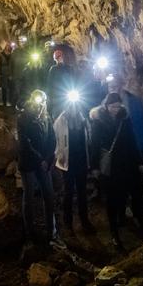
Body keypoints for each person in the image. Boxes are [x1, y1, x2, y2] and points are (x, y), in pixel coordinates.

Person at [91, 92, 143, 251]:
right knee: (113, 198)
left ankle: (140, 221)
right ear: (106, 106)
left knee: (136, 194)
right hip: (111, 166)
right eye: (112, 106)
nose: (115, 109)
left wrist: (140, 163)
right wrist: (95, 167)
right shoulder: (98, 122)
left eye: (117, 106)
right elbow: (94, 145)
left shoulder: (125, 119)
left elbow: (132, 141)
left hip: (128, 163)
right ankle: (114, 230)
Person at [17, 89, 57, 243]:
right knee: (29, 198)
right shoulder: (23, 118)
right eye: (37, 102)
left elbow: (52, 138)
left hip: (44, 163)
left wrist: (48, 157)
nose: (40, 105)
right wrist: (40, 159)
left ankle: (51, 232)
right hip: (28, 164)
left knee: (49, 195)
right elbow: (25, 143)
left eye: (42, 102)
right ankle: (30, 232)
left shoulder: (47, 117)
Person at [54, 94, 93, 232]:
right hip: (68, 163)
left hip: (81, 161)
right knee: (68, 193)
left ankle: (85, 220)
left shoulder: (83, 120)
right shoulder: (60, 121)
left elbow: (88, 139)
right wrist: (59, 156)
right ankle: (68, 223)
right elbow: (56, 142)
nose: (74, 107)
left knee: (82, 193)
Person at [103, 71, 143, 156]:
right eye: (110, 86)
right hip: (114, 147)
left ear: (121, 85)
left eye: (115, 86)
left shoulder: (134, 102)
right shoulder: (104, 104)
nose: (112, 89)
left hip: (134, 144)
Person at [47, 47, 76, 118]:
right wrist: (50, 97)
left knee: (70, 115)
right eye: (57, 57)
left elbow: (74, 81)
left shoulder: (69, 68)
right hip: (56, 97)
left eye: (60, 57)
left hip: (67, 96)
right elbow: (50, 83)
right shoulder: (53, 69)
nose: (59, 59)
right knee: (57, 116)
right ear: (55, 59)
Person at [0, 41, 16, 107]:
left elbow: (13, 64)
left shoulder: (12, 54)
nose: (8, 47)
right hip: (3, 73)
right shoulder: (1, 55)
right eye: (7, 45)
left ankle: (11, 102)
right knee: (4, 89)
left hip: (10, 73)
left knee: (11, 88)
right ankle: (4, 103)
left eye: (9, 46)